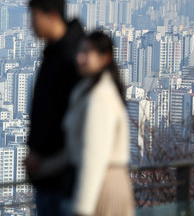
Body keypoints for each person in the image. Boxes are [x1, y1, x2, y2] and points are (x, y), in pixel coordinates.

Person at [36, 32, 135, 216]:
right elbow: (76, 150)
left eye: (87, 52)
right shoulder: (87, 92)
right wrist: (45, 167)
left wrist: (82, 209)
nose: (79, 57)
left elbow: (93, 158)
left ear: (104, 58)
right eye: (79, 51)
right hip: (96, 184)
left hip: (102, 186)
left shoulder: (99, 98)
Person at [24, 0, 85, 216]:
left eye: (34, 18)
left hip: (63, 175)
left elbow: (68, 116)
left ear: (52, 15)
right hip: (48, 174)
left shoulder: (72, 57)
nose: (31, 26)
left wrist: (45, 155)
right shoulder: (55, 52)